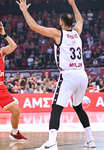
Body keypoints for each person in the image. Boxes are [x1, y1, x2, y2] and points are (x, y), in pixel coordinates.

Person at [17, 0, 96, 149]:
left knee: (56, 107)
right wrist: (73, 4)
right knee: (78, 107)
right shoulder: (77, 32)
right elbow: (80, 20)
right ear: (71, 23)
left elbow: (34, 27)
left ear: (61, 23)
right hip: (82, 75)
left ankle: (52, 142)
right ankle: (91, 139)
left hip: (68, 76)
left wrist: (24, 10)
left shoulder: (58, 34)